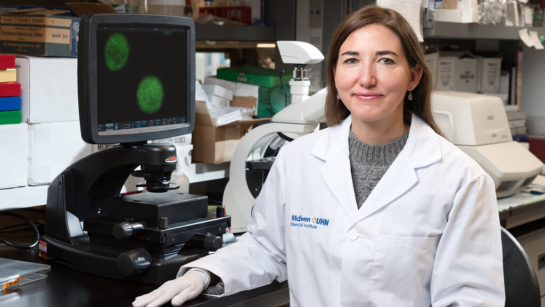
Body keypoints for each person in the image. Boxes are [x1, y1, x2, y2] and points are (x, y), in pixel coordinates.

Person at [133, 5, 505, 307]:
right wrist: (205, 274)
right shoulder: (299, 159)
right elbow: (267, 247)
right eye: (351, 60)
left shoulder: (461, 179)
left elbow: (470, 300)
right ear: (335, 74)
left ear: (413, 77)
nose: (367, 78)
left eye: (386, 61)